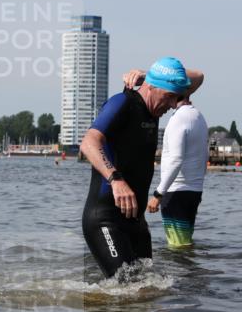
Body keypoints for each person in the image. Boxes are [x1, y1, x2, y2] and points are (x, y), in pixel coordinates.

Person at [80, 57, 203, 279]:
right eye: (168, 97)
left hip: (136, 223)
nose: (172, 105)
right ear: (152, 88)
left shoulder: (155, 108)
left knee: (146, 288)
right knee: (126, 286)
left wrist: (148, 74)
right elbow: (89, 142)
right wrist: (115, 179)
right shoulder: (122, 103)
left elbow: (199, 77)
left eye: (176, 98)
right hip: (105, 220)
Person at [145, 86, 209, 249]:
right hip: (194, 190)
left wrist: (158, 194)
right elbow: (205, 155)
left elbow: (176, 159)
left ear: (172, 94)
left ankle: (181, 274)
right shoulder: (199, 116)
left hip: (176, 192)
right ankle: (190, 273)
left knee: (177, 247)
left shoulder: (178, 119)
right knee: (185, 242)